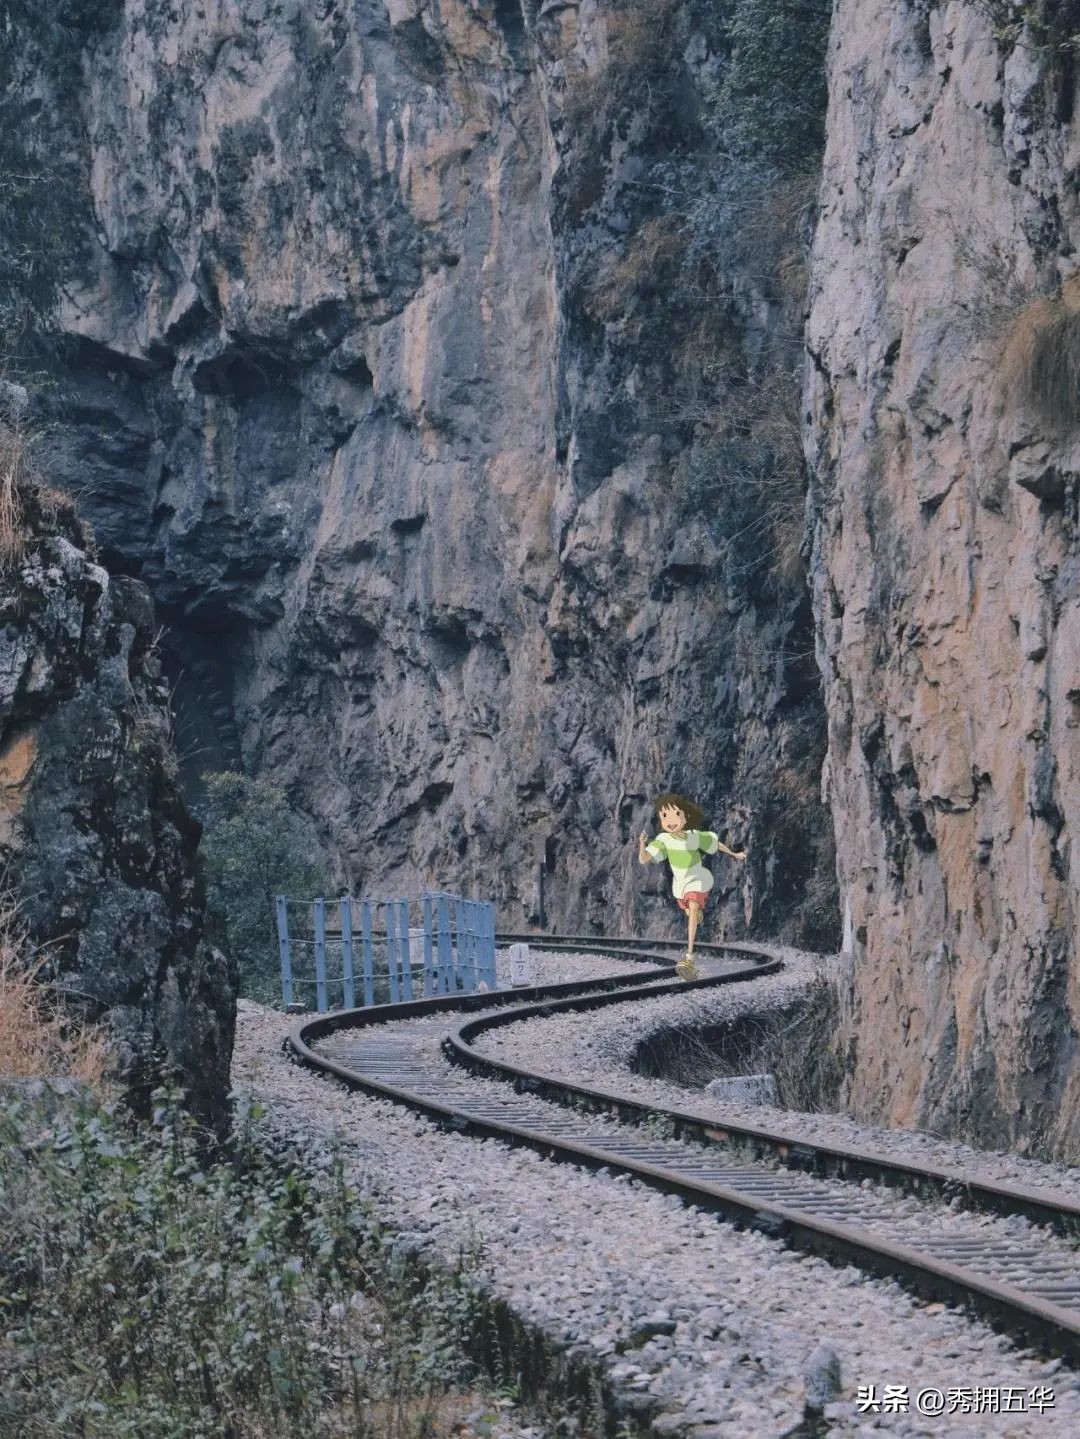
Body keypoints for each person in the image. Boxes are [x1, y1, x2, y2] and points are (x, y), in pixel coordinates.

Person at [637, 792, 746, 979]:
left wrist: (734, 854)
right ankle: (694, 912)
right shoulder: (663, 840)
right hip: (680, 885)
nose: (670, 820)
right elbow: (643, 859)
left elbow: (715, 844)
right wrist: (642, 844)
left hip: (696, 878)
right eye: (664, 816)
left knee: (693, 909)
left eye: (675, 815)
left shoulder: (693, 836)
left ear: (685, 817)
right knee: (691, 910)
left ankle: (689, 958)